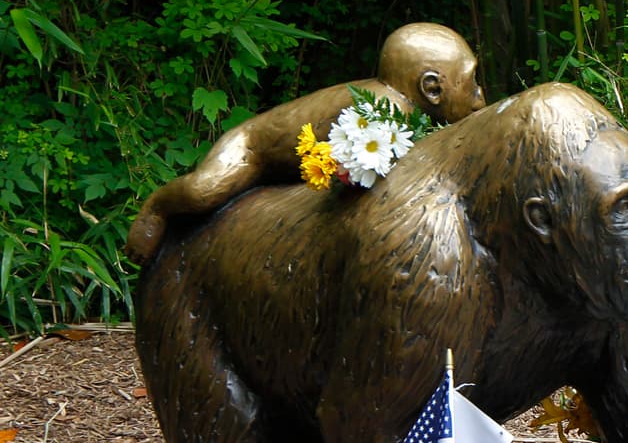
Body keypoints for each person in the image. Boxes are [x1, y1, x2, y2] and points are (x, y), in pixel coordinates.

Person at [126, 23, 486, 264]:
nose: (480, 94)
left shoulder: (402, 110)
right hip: (250, 148)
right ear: (432, 88)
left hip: (292, 169)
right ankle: (157, 207)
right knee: (204, 190)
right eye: (471, 82)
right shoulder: (385, 111)